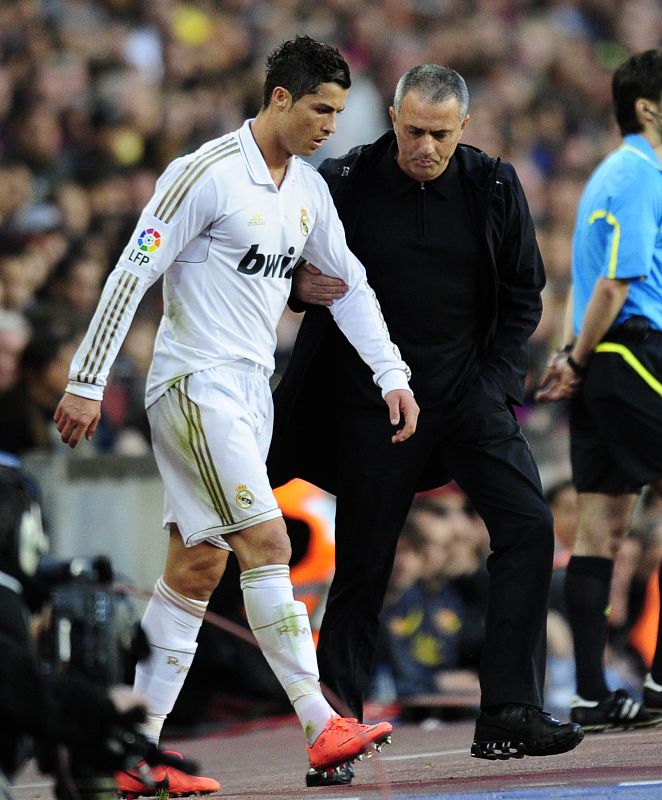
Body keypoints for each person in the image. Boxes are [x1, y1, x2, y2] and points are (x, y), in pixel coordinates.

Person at [53, 35, 418, 797]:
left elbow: (347, 284)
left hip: (250, 393)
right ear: (279, 97)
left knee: (196, 568)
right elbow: (134, 268)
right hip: (193, 384)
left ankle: (134, 751)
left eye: (339, 112)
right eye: (320, 108)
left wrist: (392, 372)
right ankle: (321, 722)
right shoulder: (206, 174)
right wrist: (87, 379)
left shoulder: (309, 191)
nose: (330, 125)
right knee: (268, 539)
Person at [268, 62, 584, 785]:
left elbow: (523, 298)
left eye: (440, 134)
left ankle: (507, 707)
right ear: (394, 122)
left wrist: (495, 388)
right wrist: (295, 287)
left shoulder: (494, 184)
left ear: (463, 128)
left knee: (530, 525)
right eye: (413, 131)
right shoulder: (344, 180)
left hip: (467, 397)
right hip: (371, 406)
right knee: (363, 571)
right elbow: (275, 261)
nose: (425, 148)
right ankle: (336, 730)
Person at [536, 48, 662, 732]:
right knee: (602, 525)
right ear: (647, 106)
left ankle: (590, 689)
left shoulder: (607, 178)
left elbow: (585, 280)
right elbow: (616, 283)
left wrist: (569, 356)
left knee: (602, 526)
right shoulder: (640, 173)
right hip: (632, 350)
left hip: (602, 360)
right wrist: (581, 357)